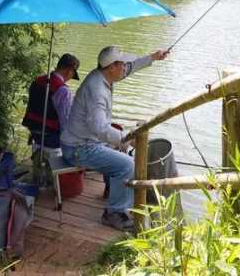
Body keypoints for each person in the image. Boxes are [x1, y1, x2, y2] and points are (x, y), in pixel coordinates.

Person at [61, 45, 169, 231]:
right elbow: (100, 128)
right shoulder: (97, 91)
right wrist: (128, 138)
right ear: (112, 67)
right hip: (79, 148)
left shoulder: (104, 74)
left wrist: (153, 57)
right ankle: (114, 213)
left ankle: (115, 192)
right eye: (122, 64)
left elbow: (130, 68)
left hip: (86, 140)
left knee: (120, 148)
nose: (125, 67)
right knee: (128, 165)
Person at [22, 53, 80, 151]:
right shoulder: (63, 90)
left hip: (34, 132)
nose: (70, 78)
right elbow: (65, 122)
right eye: (72, 75)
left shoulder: (37, 81)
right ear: (69, 71)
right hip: (51, 136)